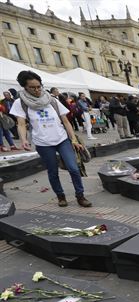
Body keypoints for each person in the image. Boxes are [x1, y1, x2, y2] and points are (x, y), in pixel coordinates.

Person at [10, 70, 91, 208]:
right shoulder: (20, 103)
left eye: (38, 86)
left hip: (62, 139)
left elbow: (65, 121)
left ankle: (80, 195)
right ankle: (61, 196)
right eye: (32, 87)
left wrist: (74, 139)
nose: (36, 90)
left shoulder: (51, 100)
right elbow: (21, 123)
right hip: (43, 143)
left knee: (74, 168)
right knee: (52, 171)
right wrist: (23, 139)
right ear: (25, 87)